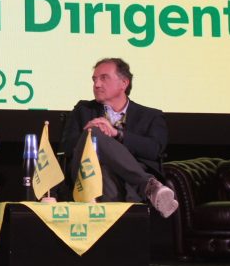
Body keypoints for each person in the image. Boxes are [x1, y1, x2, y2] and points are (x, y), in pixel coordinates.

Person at [59, 58, 178, 216]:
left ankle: (114, 226)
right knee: (93, 133)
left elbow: (154, 149)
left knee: (106, 171)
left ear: (124, 83)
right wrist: (90, 134)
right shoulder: (83, 110)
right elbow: (66, 147)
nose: (97, 84)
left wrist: (117, 134)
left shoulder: (150, 116)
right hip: (85, 173)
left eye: (104, 78)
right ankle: (148, 186)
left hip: (124, 183)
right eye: (94, 79)